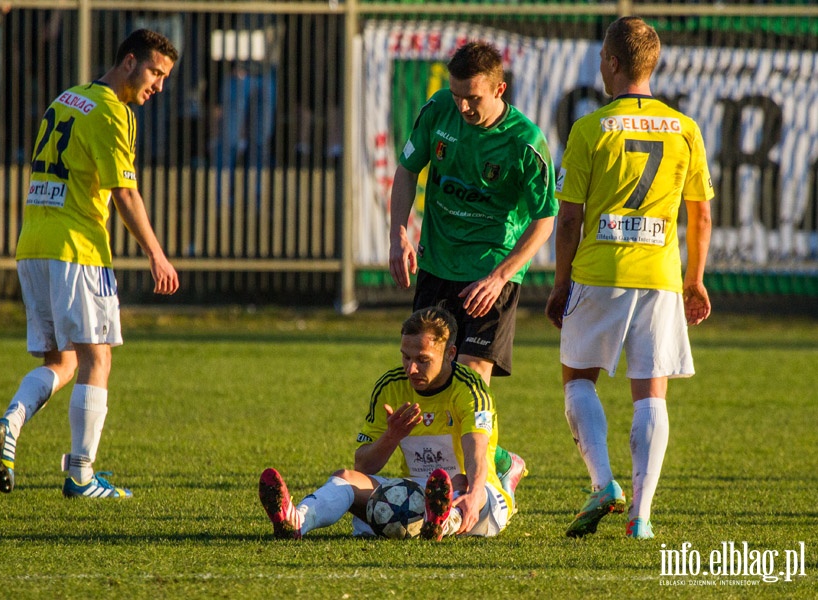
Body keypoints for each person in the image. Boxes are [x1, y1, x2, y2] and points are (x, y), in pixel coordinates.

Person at [0, 29, 181, 499]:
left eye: (165, 77)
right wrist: (157, 254)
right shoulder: (116, 113)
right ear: (129, 62)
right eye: (155, 72)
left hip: (33, 244)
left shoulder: (68, 97)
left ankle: (11, 421)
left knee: (62, 360)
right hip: (77, 247)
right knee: (98, 357)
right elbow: (125, 192)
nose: (159, 86)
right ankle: (81, 474)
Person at [545, 17, 713, 540]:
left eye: (601, 55)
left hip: (599, 271)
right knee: (651, 396)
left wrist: (559, 282)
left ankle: (603, 484)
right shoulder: (685, 128)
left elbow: (568, 218)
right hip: (660, 275)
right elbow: (701, 215)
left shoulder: (589, 128)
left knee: (578, 380)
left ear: (614, 63)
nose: (598, 63)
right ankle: (641, 517)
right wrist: (695, 279)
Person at [387, 40, 559, 507]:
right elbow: (406, 171)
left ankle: (479, 493)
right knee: (433, 381)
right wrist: (399, 234)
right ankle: (500, 463)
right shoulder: (438, 111)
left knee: (471, 382)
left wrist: (502, 276)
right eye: (457, 94)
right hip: (438, 266)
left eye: (474, 98)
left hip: (490, 276)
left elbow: (545, 218)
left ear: (500, 88)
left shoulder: (525, 141)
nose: (463, 106)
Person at [259, 307, 515, 541]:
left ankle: (442, 522)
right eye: (405, 357)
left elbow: (477, 452)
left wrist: (472, 494)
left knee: (462, 481)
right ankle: (296, 521)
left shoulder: (471, 389)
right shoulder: (391, 386)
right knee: (345, 478)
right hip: (414, 492)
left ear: (450, 354)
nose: (411, 369)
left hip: (477, 496)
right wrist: (391, 436)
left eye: (423, 360)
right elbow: (364, 465)